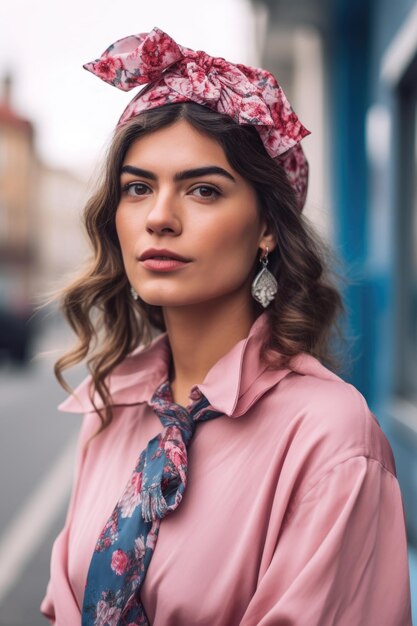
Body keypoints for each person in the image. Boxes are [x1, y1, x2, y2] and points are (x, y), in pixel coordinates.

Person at [41, 27, 412, 626]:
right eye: (137, 188)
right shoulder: (111, 410)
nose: (159, 217)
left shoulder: (331, 439)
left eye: (203, 190)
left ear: (266, 227)